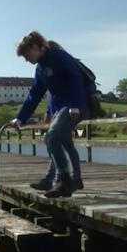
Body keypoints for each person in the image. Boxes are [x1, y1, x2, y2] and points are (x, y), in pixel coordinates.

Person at [9, 31, 87, 198]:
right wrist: (20, 118)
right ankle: (63, 181)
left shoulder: (58, 56)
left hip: (74, 106)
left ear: (36, 47)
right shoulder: (40, 69)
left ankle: (63, 179)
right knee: (58, 140)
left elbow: (75, 77)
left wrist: (74, 105)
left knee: (51, 137)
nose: (26, 59)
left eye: (26, 55)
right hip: (60, 109)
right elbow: (34, 95)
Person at [29, 41, 83, 192]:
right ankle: (62, 179)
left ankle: (67, 179)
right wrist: (48, 113)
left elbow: (69, 91)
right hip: (59, 113)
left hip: (68, 112)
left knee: (60, 144)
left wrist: (69, 113)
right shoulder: (50, 71)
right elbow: (53, 97)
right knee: (60, 145)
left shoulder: (61, 65)